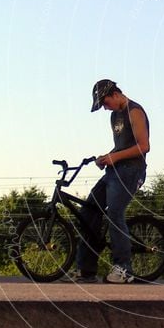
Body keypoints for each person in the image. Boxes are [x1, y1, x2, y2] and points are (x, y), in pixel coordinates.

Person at [65, 79, 150, 284]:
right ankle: (86, 270)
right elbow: (122, 146)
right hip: (115, 169)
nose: (105, 107)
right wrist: (107, 157)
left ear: (115, 94)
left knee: (114, 213)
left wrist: (115, 158)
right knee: (90, 211)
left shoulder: (135, 111)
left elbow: (144, 146)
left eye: (105, 102)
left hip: (132, 170)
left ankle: (124, 268)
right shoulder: (114, 116)